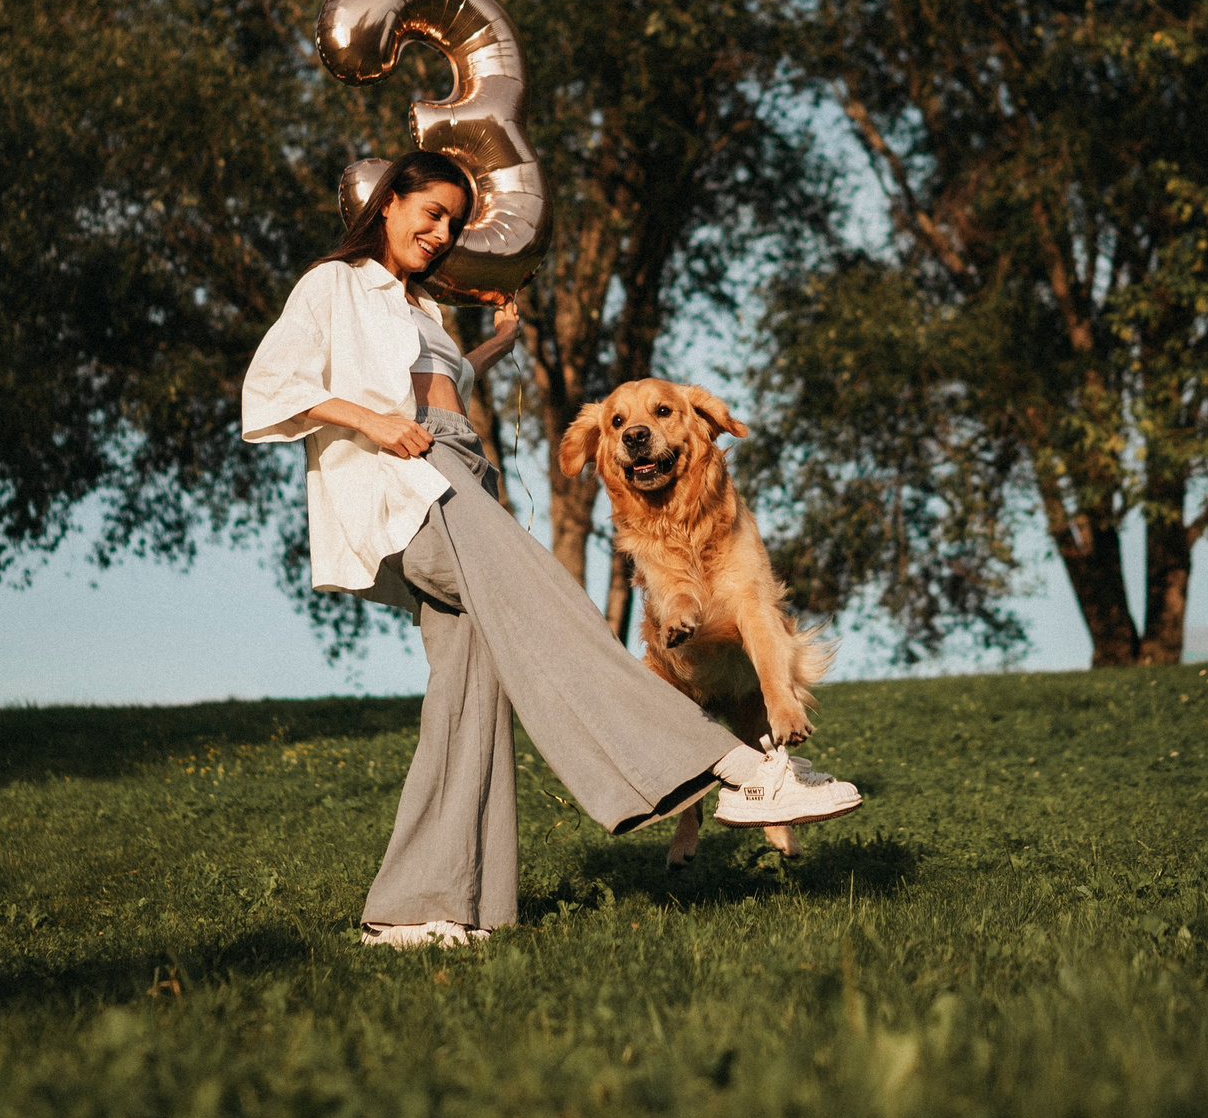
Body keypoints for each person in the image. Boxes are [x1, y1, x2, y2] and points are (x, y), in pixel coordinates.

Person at [243, 151, 861, 948]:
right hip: (413, 480)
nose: (442, 233)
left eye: (453, 222)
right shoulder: (334, 283)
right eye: (431, 212)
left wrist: (497, 344)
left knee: (468, 700)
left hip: (457, 467)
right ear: (389, 202)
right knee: (557, 610)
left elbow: (440, 385)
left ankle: (421, 908)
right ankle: (740, 772)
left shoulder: (418, 306)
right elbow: (271, 385)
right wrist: (370, 422)